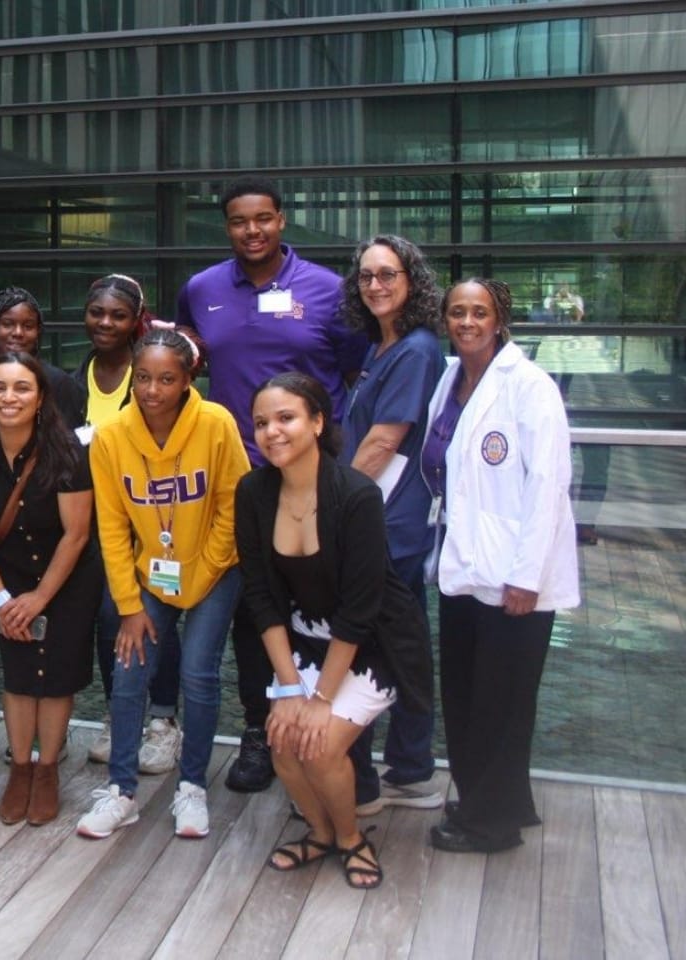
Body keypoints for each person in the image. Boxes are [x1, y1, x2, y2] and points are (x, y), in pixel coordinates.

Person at [177, 176, 367, 794]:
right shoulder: (200, 291)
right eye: (238, 221)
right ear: (226, 227)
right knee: (256, 611)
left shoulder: (330, 291)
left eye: (263, 219)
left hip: (315, 480)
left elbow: (348, 369)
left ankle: (344, 738)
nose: (251, 230)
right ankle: (261, 733)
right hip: (241, 484)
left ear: (282, 220)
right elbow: (192, 365)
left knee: (326, 601)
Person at [236, 373, 431, 890]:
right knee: (283, 742)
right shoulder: (253, 491)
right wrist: (288, 687)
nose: (272, 432)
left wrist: (320, 700)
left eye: (286, 418)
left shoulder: (356, 495)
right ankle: (319, 833)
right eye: (261, 422)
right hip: (300, 642)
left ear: (318, 422)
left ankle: (351, 838)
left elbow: (361, 610)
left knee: (320, 744)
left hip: (371, 643)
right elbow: (261, 598)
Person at [425, 279, 580, 853]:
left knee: (502, 701)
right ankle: (502, 799)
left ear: (500, 319)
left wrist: (526, 577)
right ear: (445, 319)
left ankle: (491, 826)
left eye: (480, 312)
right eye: (458, 312)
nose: (468, 321)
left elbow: (548, 488)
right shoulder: (451, 378)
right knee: (467, 694)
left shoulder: (529, 387)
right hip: (465, 568)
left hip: (515, 578)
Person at [75, 329, 249, 839]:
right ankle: (121, 791)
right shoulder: (111, 437)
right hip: (151, 571)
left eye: (167, 379)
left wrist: (200, 574)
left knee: (198, 672)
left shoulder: (216, 424)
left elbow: (232, 506)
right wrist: (129, 606)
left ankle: (191, 787)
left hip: (216, 569)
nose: (153, 390)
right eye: (144, 378)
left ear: (187, 379)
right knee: (129, 671)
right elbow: (111, 527)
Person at [0, 352, 98, 826]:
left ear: (40, 398)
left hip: (67, 578)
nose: (9, 398)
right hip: (8, 575)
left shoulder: (68, 453)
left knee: (56, 676)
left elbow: (76, 534)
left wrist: (40, 598)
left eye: (21, 388)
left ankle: (48, 769)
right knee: (18, 674)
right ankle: (20, 768)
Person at [336, 235, 446, 813]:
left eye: (388, 274)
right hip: (379, 522)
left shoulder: (416, 350)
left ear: (412, 281)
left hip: (389, 528)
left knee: (386, 649)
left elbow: (383, 441)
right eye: (366, 276)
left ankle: (391, 778)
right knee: (398, 647)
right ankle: (407, 767)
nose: (375, 285)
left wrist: (334, 510)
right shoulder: (383, 347)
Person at [71, 274, 183, 775]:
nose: (106, 323)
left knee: (156, 620)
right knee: (107, 621)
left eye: (118, 314)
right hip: (96, 525)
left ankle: (163, 720)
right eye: (97, 312)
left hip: (152, 521)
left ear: (137, 318)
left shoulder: (152, 375)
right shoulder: (75, 380)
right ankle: (122, 715)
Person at [0, 286, 82, 428]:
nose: (18, 332)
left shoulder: (60, 384)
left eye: (28, 326)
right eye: (7, 324)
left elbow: (71, 444)